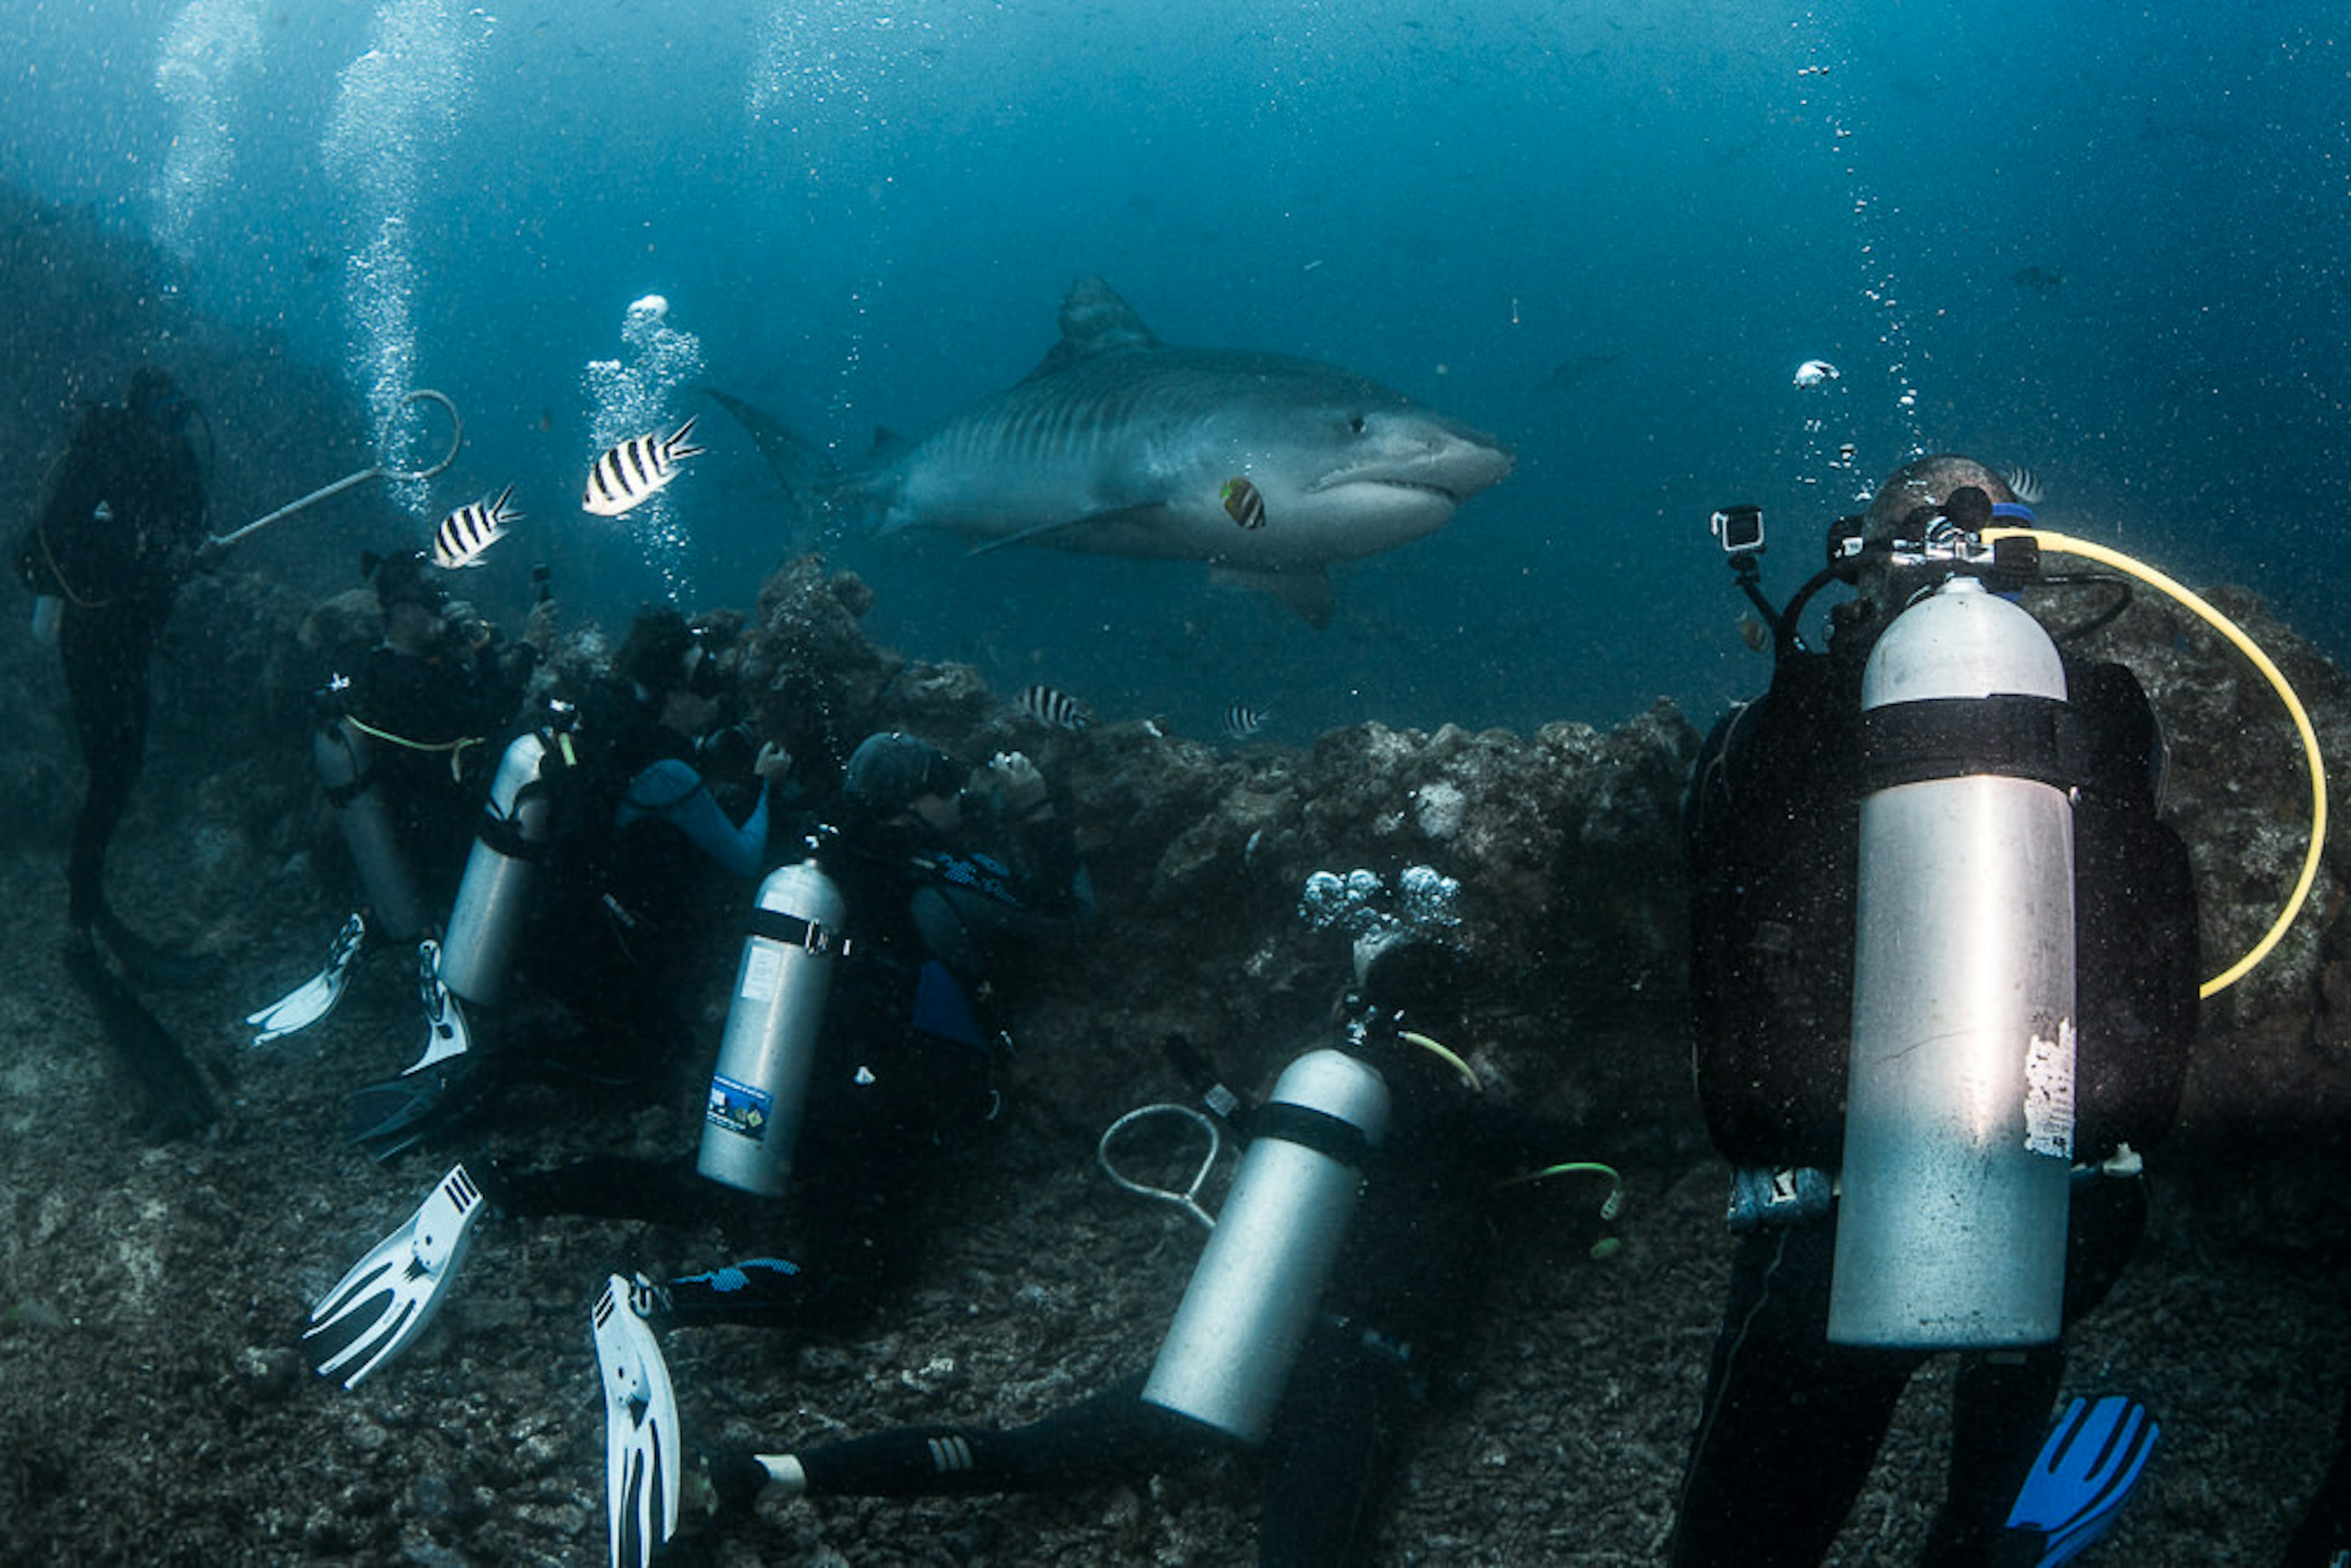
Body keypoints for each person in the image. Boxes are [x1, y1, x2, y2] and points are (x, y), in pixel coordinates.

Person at [601, 943, 1621, 1568]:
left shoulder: (1341, 1090)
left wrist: (1216, 1093)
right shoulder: (1470, 1113)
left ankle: (759, 1475)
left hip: (1241, 1348)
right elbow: (1588, 1168)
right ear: (1459, 1022)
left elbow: (1256, 1132)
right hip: (1355, 1380)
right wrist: (1608, 1212)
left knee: (1021, 1456)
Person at [1669, 455, 2200, 1566]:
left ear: (1862, 566)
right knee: (1989, 1486)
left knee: (1743, 1542)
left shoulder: (1778, 721)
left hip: (1831, 1210)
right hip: (2066, 1194)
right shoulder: (2103, 712)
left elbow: (1716, 931)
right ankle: (1977, 1537)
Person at [341, 607, 789, 1156]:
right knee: (652, 1069)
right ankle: (507, 1067)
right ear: (671, 693)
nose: (716, 694)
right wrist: (768, 786)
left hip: (549, 920)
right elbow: (745, 858)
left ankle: (505, 1050)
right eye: (704, 681)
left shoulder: (612, 717)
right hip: (583, 945)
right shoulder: (667, 771)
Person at [246, 548, 537, 1045]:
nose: (441, 609)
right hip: (439, 843)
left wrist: (476, 650)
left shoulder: (386, 666)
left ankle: (372, 925)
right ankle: (438, 962)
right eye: (431, 599)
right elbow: (487, 719)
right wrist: (522, 651)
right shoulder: (409, 681)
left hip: (405, 834)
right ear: (400, 609)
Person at [13, 366, 216, 981]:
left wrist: (194, 553)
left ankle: (87, 895)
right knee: (110, 768)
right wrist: (139, 558)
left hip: (136, 636)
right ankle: (81, 915)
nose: (171, 425)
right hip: (92, 633)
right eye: (161, 413)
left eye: (176, 412)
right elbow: (45, 547)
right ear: (137, 413)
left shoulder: (180, 460)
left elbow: (192, 531)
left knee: (124, 765)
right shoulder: (100, 456)